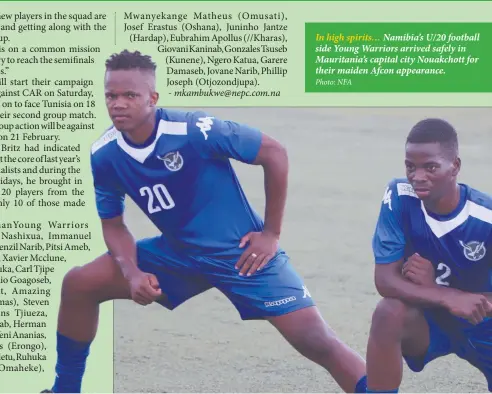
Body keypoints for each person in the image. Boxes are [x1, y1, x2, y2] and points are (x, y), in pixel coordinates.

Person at [41, 49, 366, 393]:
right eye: (111, 95)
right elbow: (113, 224)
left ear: (153, 98)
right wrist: (131, 272)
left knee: (316, 340)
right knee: (78, 284)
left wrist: (270, 233)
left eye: (129, 95)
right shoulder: (104, 154)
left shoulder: (194, 130)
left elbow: (273, 152)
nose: (118, 103)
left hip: (239, 253)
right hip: (177, 253)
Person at [363, 118, 492, 393]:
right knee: (388, 313)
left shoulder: (486, 218)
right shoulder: (399, 195)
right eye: (411, 166)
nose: (417, 176)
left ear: (455, 166)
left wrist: (454, 294)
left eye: (430, 167)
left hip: (485, 325)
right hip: (432, 320)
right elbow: (385, 280)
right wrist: (446, 296)